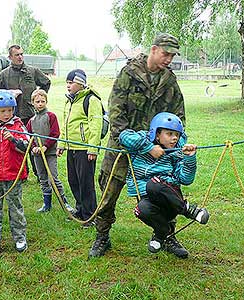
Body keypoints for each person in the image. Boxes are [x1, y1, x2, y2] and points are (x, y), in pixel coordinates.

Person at [89, 33, 186, 257]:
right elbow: (115, 111)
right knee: (109, 191)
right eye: (166, 53)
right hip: (122, 147)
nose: (169, 59)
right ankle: (102, 236)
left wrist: (177, 144)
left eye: (172, 55)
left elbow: (178, 115)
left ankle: (166, 235)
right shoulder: (129, 73)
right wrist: (138, 144)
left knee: (165, 191)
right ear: (153, 50)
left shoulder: (169, 80)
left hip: (157, 150)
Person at [119, 112, 209, 258]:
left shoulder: (177, 151)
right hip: (148, 198)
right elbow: (124, 136)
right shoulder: (143, 139)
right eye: (169, 133)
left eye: (177, 135)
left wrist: (190, 159)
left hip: (171, 200)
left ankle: (188, 210)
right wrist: (149, 148)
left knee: (154, 184)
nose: (175, 138)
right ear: (157, 133)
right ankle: (162, 234)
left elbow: (185, 179)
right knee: (141, 209)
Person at [0, 90, 29, 259]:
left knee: (16, 209)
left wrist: (13, 140)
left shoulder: (19, 126)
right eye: (3, 111)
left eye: (10, 110)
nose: (7, 114)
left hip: (13, 176)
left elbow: (26, 147)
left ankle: (20, 238)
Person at [0, 44, 51, 179]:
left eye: (21, 54)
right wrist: (9, 93)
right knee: (16, 145)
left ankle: (39, 174)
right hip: (12, 117)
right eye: (17, 55)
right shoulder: (4, 74)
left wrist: (38, 95)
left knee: (34, 143)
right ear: (10, 57)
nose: (20, 57)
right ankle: (21, 174)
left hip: (31, 115)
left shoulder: (32, 71)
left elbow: (46, 82)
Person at [57, 69, 103, 228]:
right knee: (73, 180)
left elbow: (96, 125)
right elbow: (65, 125)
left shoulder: (91, 100)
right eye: (67, 83)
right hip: (71, 148)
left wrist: (92, 148)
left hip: (85, 149)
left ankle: (90, 215)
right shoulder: (69, 100)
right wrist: (62, 144)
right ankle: (80, 209)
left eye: (71, 83)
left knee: (86, 182)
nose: (68, 86)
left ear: (81, 83)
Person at [25, 89, 76, 213]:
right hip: (37, 154)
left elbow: (55, 133)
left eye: (43, 101)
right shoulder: (31, 121)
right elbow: (28, 136)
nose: (40, 104)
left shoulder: (51, 116)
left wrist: (46, 146)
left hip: (50, 152)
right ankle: (46, 204)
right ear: (33, 103)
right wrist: (34, 148)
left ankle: (64, 202)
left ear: (46, 102)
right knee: (42, 178)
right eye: (37, 102)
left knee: (53, 177)